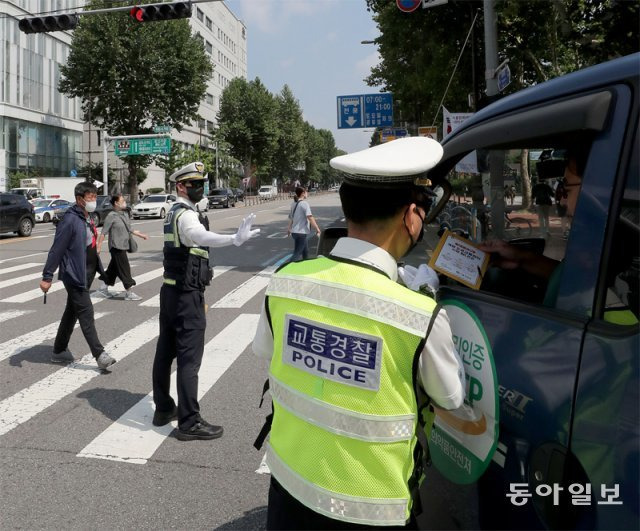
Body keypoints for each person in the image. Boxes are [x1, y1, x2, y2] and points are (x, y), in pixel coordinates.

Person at [252, 137, 466, 529]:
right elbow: (451, 396)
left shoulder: (284, 282)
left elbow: (265, 352)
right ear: (411, 216)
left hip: (288, 491)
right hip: (373, 510)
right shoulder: (420, 314)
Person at [151, 162, 260, 441]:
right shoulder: (185, 215)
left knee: (165, 352)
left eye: (201, 183)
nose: (199, 188)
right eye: (194, 184)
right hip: (187, 295)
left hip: (170, 292)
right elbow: (198, 236)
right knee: (189, 360)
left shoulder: (174, 212)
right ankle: (189, 422)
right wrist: (234, 239)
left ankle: (164, 409)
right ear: (180, 186)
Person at [39, 181, 116, 370]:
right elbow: (57, 249)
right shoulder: (70, 220)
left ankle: (59, 350)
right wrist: (47, 276)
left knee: (71, 312)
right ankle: (99, 354)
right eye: (91, 197)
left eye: (95, 196)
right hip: (74, 274)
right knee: (86, 312)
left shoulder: (85, 216)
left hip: (87, 272)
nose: (94, 200)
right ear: (79, 199)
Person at [96, 194, 148, 301]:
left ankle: (103, 288)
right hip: (116, 246)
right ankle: (129, 292)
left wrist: (140, 235)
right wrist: (99, 246)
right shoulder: (111, 216)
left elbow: (129, 229)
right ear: (116, 203)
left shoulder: (124, 214)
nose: (124, 202)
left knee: (113, 268)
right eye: (122, 200)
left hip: (124, 245)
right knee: (124, 268)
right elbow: (103, 232)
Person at [286, 186, 321, 262]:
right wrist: (317, 229)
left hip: (295, 232)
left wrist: (289, 228)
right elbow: (310, 217)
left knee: (305, 252)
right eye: (306, 192)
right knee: (297, 253)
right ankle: (289, 267)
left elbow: (291, 218)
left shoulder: (293, 204)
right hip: (301, 232)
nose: (307, 193)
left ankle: (306, 265)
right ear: (302, 193)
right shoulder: (304, 204)